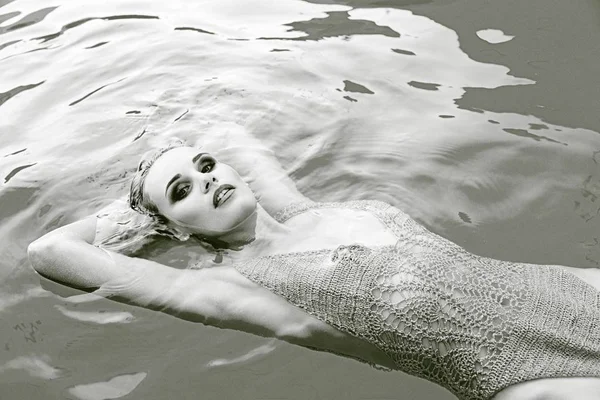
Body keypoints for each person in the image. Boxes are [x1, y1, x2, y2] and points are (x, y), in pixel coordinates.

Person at [27, 127, 600, 400]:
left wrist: (179, 162)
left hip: (565, 292)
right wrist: (141, 215)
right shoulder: (230, 288)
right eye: (183, 189)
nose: (206, 177)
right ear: (173, 226)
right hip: (527, 380)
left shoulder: (315, 212)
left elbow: (232, 135)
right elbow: (52, 252)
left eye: (205, 166)